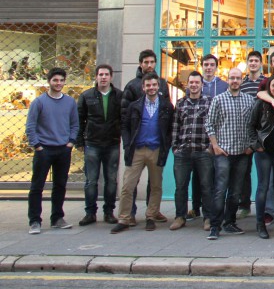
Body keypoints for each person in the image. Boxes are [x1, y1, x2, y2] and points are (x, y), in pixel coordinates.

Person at [112, 73, 173, 234]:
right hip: (137, 150)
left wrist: (166, 146)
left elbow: (170, 129)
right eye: (148, 85)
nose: (151, 88)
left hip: (156, 149)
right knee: (127, 185)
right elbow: (125, 126)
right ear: (143, 87)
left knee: (155, 186)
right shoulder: (135, 106)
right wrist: (126, 144)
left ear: (158, 87)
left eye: (154, 85)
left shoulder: (166, 106)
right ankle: (124, 218)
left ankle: (151, 216)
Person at [204, 68, 255, 240]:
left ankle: (229, 222)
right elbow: (209, 124)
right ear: (227, 80)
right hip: (223, 153)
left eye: (238, 78)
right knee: (220, 189)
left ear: (242, 80)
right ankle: (215, 225)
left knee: (236, 191)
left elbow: (253, 126)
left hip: (242, 153)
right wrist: (215, 146)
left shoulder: (249, 100)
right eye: (232, 78)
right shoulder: (218, 100)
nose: (235, 81)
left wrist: (251, 147)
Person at [27, 68, 79, 234]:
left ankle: (57, 218)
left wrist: (70, 142)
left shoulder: (70, 102)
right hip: (44, 150)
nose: (58, 83)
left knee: (60, 185)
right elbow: (30, 126)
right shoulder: (39, 102)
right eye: (55, 80)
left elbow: (75, 124)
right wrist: (37, 146)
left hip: (63, 149)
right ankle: (35, 221)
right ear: (49, 81)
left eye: (61, 80)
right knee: (37, 186)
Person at [76, 64, 122, 226]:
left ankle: (109, 212)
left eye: (106, 74)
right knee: (91, 180)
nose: (103, 77)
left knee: (111, 180)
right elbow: (79, 120)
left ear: (111, 77)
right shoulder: (86, 96)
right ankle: (90, 213)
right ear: (96, 77)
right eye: (100, 74)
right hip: (92, 144)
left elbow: (123, 119)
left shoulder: (119, 96)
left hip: (112, 143)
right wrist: (80, 141)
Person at [169, 71, 214, 232]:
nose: (194, 85)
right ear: (187, 85)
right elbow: (175, 126)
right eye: (191, 82)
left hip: (203, 151)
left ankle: (208, 217)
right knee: (180, 186)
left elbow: (214, 125)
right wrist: (175, 147)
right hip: (183, 152)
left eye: (197, 82)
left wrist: (210, 147)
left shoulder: (209, 102)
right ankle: (179, 217)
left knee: (206, 186)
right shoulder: (180, 103)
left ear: (202, 85)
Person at [248, 75, 274, 239]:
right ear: (269, 88)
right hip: (264, 151)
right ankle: (260, 224)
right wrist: (256, 145)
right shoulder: (261, 104)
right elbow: (251, 125)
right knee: (263, 187)